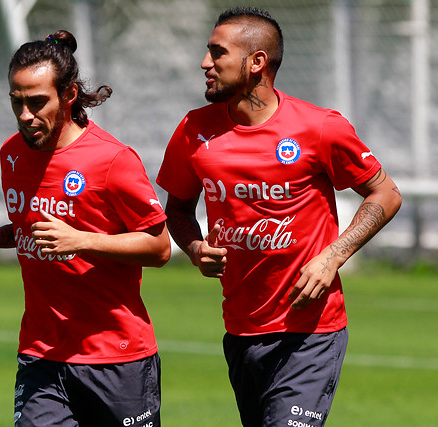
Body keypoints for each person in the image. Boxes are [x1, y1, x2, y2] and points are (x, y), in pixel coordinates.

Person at [156, 7, 402, 427]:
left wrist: (332, 257)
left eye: (218, 53)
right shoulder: (193, 130)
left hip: (311, 332)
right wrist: (196, 248)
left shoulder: (320, 127)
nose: (205, 64)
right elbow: (176, 209)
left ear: (257, 62)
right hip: (241, 330)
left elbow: (386, 193)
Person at [0, 30, 170, 427]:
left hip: (115, 356)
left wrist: (82, 241)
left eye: (37, 102)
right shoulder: (12, 154)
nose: (26, 115)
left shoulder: (112, 159)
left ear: (69, 95)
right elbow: (35, 226)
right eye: (16, 102)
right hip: (42, 352)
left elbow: (158, 247)